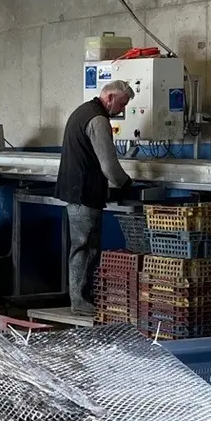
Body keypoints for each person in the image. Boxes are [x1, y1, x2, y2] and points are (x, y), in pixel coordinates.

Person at [56, 80, 134, 314]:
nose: (122, 110)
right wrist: (126, 184)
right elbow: (109, 165)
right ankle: (79, 301)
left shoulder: (82, 111)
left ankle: (82, 297)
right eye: (122, 104)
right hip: (83, 192)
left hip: (77, 190)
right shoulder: (98, 120)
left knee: (85, 245)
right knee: (84, 246)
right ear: (109, 98)